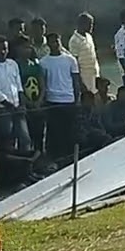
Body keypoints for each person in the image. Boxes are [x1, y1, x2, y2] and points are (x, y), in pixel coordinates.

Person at [0, 36, 33, 156]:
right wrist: (11, 107)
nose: (3, 51)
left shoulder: (13, 64)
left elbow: (19, 86)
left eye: (5, 48)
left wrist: (21, 104)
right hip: (4, 109)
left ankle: (26, 167)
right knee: (7, 139)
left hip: (17, 107)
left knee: (25, 139)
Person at [40, 32, 82, 160]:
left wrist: (77, 99)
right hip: (52, 100)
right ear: (48, 44)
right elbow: (43, 83)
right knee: (54, 132)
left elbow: (76, 81)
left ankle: (70, 157)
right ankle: (54, 157)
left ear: (60, 41)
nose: (54, 44)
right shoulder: (43, 62)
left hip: (68, 100)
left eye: (56, 41)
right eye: (51, 42)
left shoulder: (70, 60)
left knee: (69, 131)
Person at [68, 13, 100, 95]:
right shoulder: (74, 40)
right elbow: (74, 63)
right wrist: (80, 83)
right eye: (90, 24)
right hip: (84, 78)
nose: (91, 26)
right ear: (81, 24)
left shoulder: (89, 37)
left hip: (94, 76)